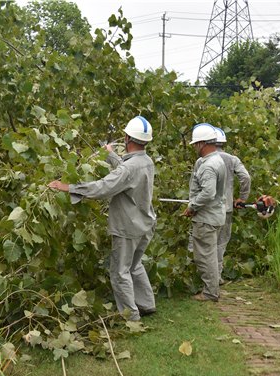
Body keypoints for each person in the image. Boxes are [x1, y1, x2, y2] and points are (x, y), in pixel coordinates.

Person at [48, 116, 157, 321]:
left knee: (120, 272)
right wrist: (112, 155)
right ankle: (146, 304)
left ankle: (131, 317)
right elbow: (126, 171)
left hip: (127, 227)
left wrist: (70, 187)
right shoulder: (147, 161)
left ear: (127, 137)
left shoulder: (128, 168)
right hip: (145, 224)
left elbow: (104, 187)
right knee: (135, 265)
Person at [180, 123, 227, 302]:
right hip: (215, 215)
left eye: (196, 145)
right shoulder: (217, 160)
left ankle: (210, 293)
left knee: (204, 257)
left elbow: (208, 193)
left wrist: (192, 207)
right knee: (210, 255)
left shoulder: (208, 165)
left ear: (202, 143)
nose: (195, 149)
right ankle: (212, 288)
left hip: (206, 218)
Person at [212, 127, 252, 285]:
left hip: (207, 209)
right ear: (223, 143)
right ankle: (217, 276)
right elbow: (245, 177)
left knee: (206, 244)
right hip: (226, 208)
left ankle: (207, 278)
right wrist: (242, 199)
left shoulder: (205, 159)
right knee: (221, 243)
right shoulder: (232, 159)